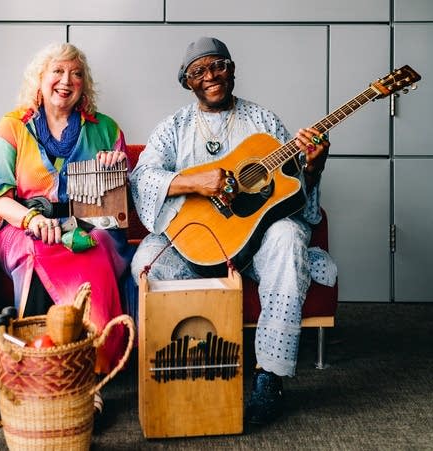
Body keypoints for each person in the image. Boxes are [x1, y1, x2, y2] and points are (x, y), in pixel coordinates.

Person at [130, 37, 337, 425]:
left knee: (289, 236)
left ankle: (269, 376)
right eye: (199, 71)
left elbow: (293, 192)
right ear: (187, 81)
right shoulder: (173, 127)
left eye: (219, 66)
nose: (210, 76)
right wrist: (195, 183)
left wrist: (312, 167)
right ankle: (181, 372)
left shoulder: (264, 122)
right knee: (145, 261)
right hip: (192, 244)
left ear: (232, 68)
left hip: (252, 246)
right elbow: (143, 179)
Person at [0, 42, 131, 415]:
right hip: (24, 224)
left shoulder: (106, 129)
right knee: (36, 250)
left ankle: (88, 378)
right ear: (40, 79)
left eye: (77, 73)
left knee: (93, 247)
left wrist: (117, 170)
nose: (67, 81)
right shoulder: (12, 126)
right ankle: (36, 367)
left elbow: (118, 207)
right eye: (58, 72)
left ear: (85, 84)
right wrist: (34, 220)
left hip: (88, 224)